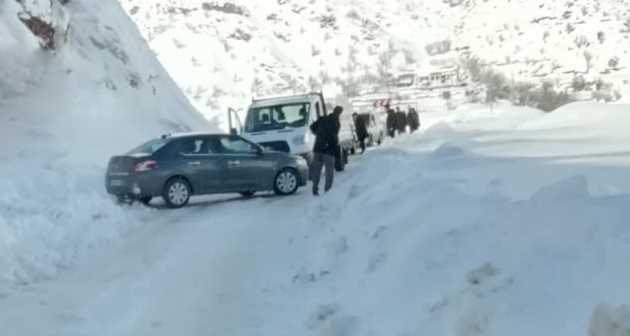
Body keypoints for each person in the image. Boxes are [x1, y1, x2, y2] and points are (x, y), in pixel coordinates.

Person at [310, 106, 343, 195]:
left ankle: (314, 189)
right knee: (329, 171)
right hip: (329, 150)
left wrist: (318, 134)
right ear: (339, 113)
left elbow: (312, 127)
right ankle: (327, 191)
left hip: (318, 148)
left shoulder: (322, 119)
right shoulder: (336, 122)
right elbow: (335, 136)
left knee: (317, 170)